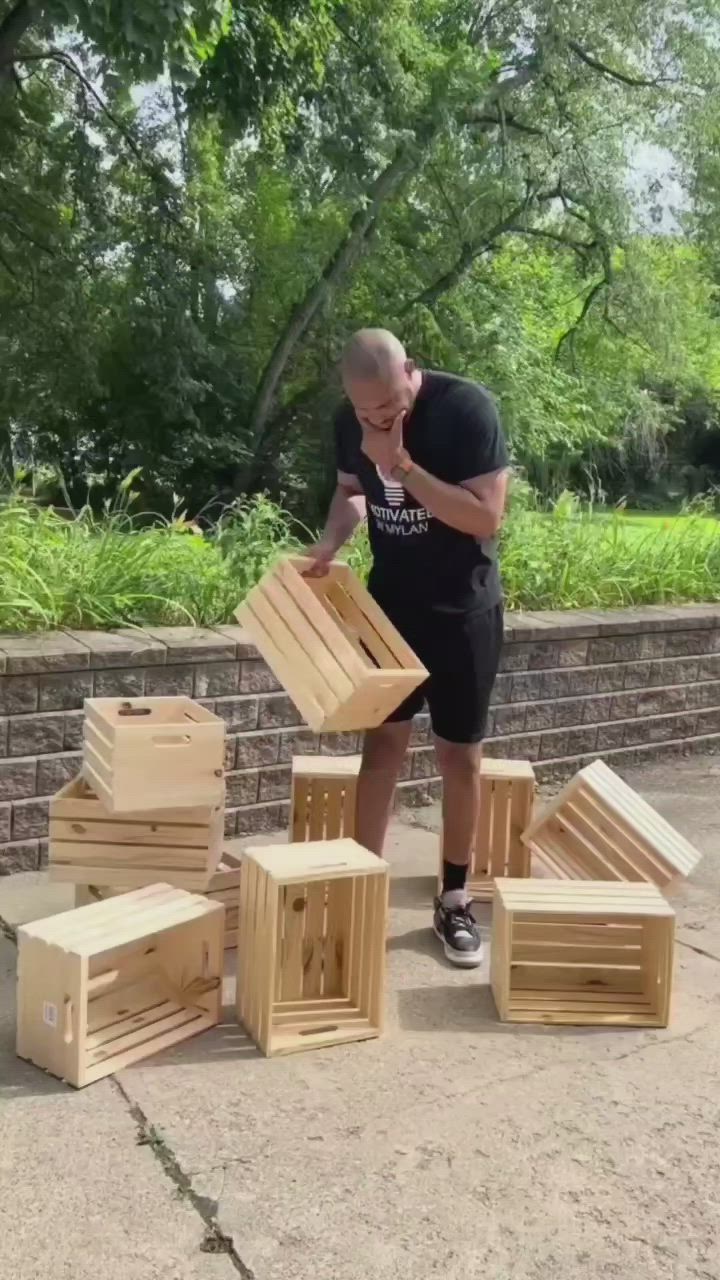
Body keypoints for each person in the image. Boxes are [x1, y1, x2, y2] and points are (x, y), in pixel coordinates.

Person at [306, 329, 509, 967]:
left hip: (463, 611)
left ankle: (454, 898)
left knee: (460, 758)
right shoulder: (350, 421)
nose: (379, 421)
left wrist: (402, 464)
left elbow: (486, 518)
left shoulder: (466, 409)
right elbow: (349, 494)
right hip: (390, 610)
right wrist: (331, 542)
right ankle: (362, 885)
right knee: (382, 748)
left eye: (391, 409)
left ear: (412, 375)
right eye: (368, 414)